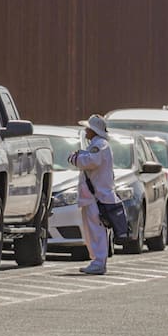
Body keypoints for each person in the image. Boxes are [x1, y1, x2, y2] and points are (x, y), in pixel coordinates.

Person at [67, 114, 116, 276]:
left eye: (88, 128)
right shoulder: (97, 144)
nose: (86, 131)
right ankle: (96, 260)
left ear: (94, 130)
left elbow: (90, 162)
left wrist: (75, 158)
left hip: (97, 197)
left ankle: (99, 262)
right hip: (94, 197)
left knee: (97, 230)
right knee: (92, 230)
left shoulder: (99, 145)